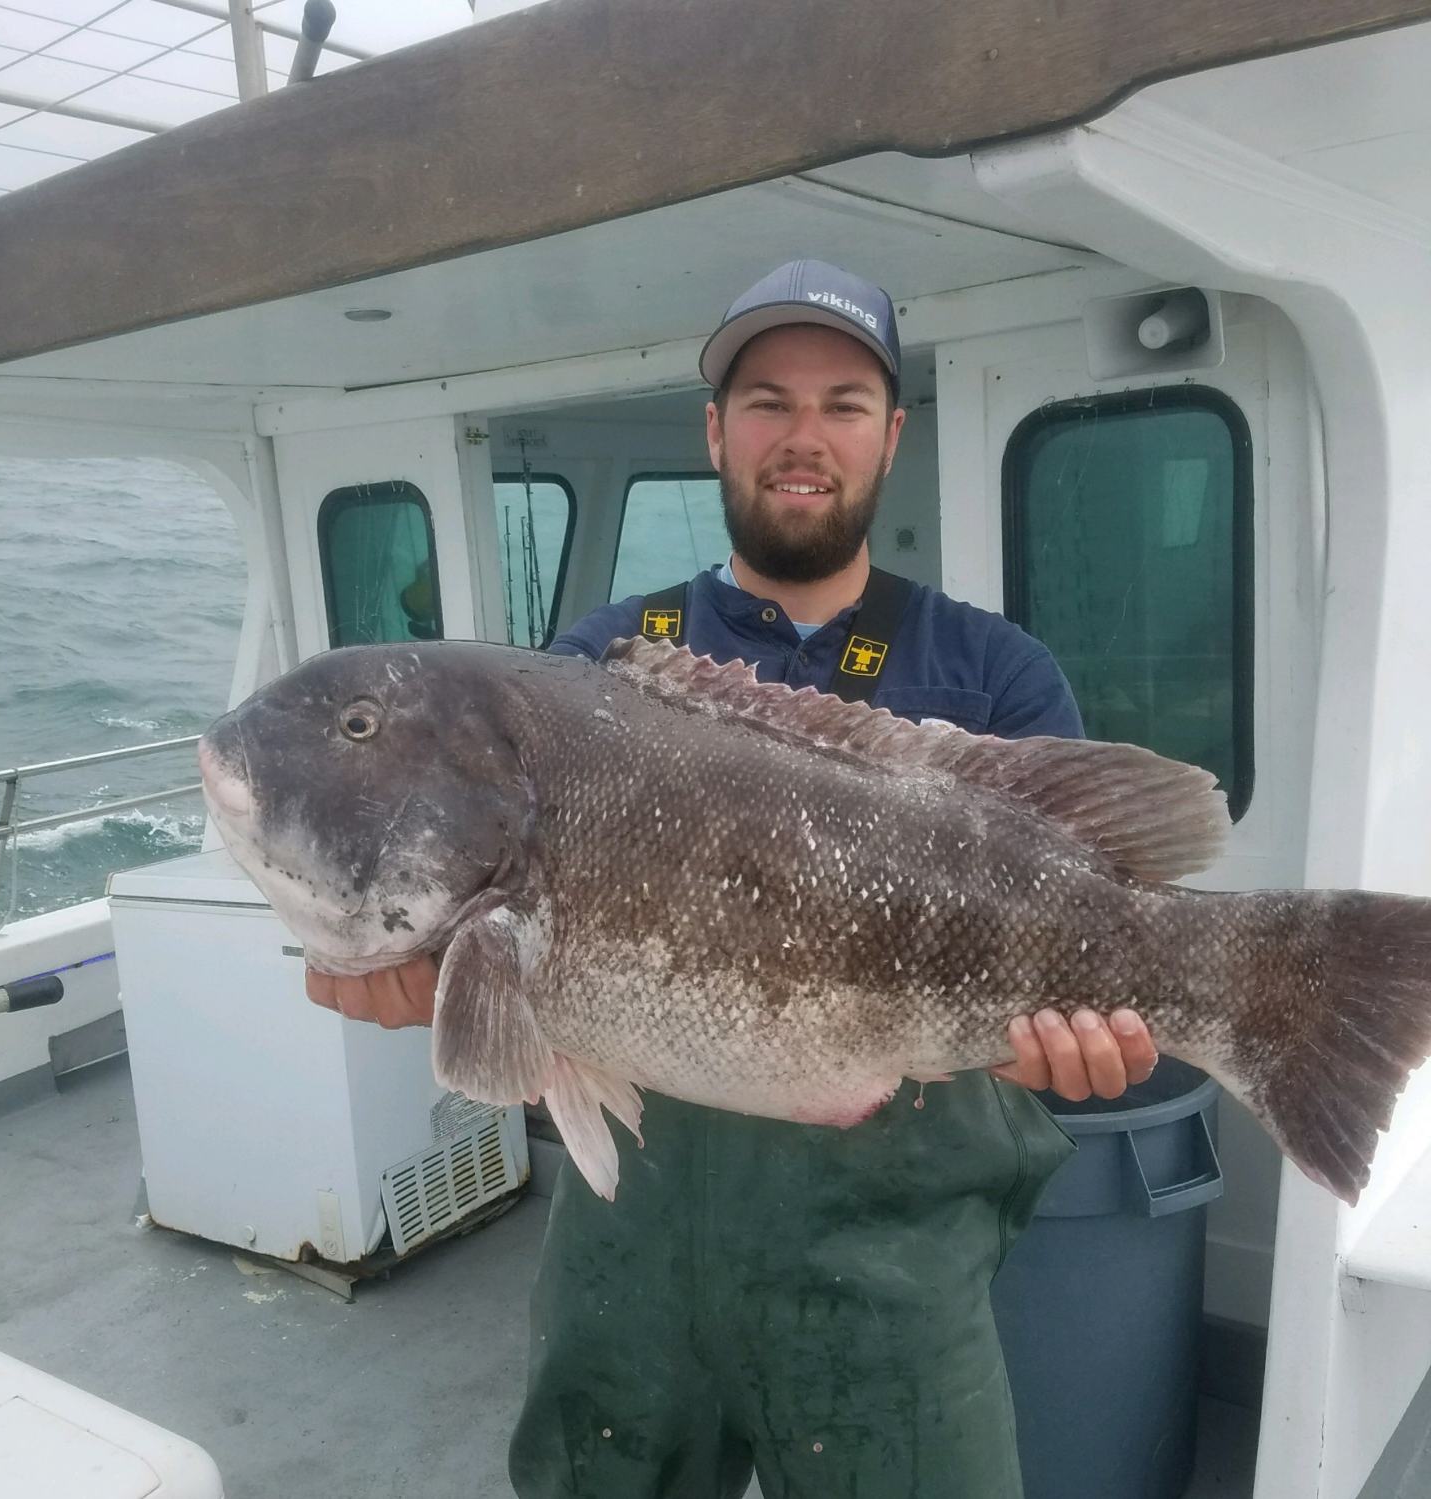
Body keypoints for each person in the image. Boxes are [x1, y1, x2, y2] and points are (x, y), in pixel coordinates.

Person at [306, 260, 1158, 1498]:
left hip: (894, 1280)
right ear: (715, 429)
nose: (802, 436)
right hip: (626, 1270)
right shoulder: (595, 666)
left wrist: (1081, 1050)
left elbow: (1106, 908)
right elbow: (510, 947)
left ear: (891, 434)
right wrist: (416, 977)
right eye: (766, 400)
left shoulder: (998, 674)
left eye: (843, 402)